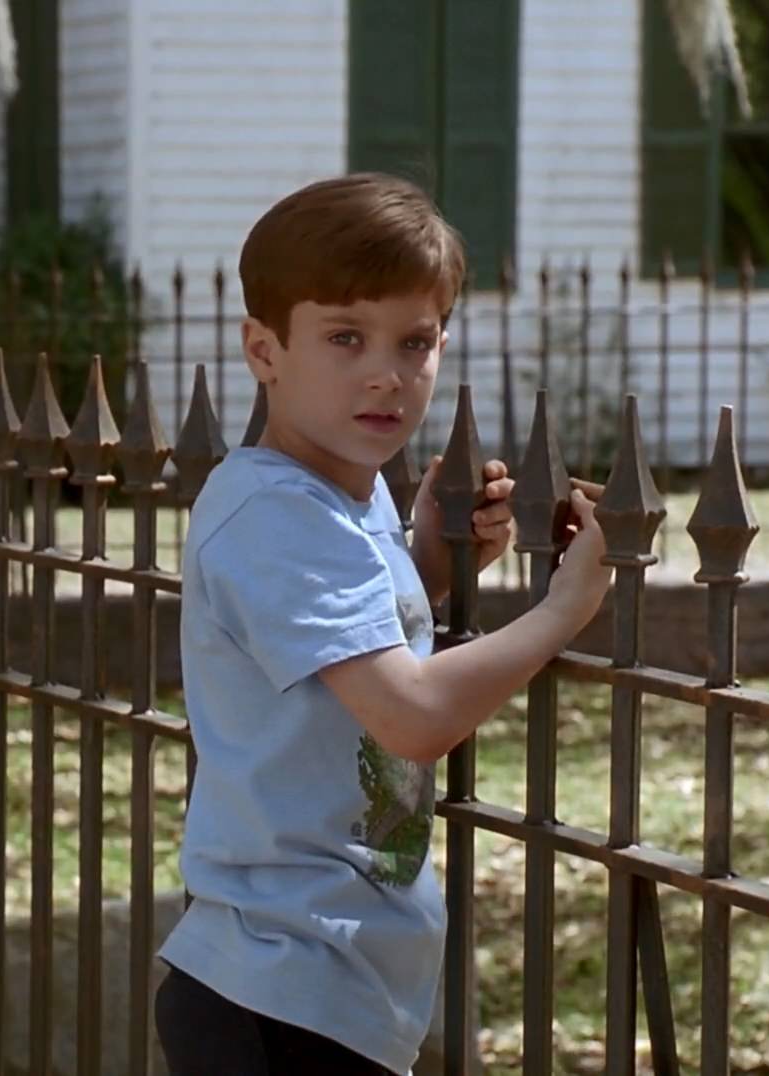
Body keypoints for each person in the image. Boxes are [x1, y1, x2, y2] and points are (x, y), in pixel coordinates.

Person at [153, 174, 612, 1075]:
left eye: (415, 341)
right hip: (279, 987)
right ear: (263, 349)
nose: (385, 374)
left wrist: (429, 564)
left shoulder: (340, 498)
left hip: (324, 981)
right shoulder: (278, 512)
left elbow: (340, 651)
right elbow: (410, 714)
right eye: (344, 337)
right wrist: (564, 608)